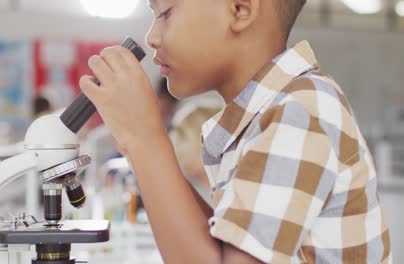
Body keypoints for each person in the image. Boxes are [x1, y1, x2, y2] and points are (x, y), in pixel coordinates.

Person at [78, 0, 391, 263]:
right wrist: (135, 142)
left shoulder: (304, 108)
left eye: (165, 13)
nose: (151, 38)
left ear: (240, 9)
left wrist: (145, 137)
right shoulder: (265, 116)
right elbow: (215, 248)